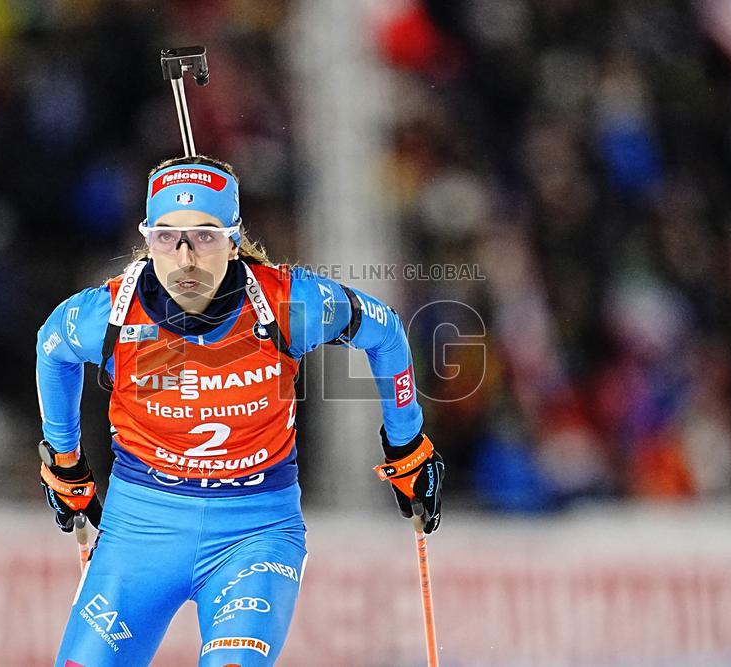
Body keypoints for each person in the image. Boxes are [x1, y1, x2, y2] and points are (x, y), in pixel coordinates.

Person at [35, 154, 445, 666]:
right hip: (140, 534)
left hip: (253, 538)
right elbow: (52, 348)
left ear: (233, 239)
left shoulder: (285, 303)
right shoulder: (109, 315)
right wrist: (65, 459)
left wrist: (406, 443)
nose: (185, 258)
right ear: (147, 240)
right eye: (167, 236)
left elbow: (384, 330)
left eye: (205, 235)